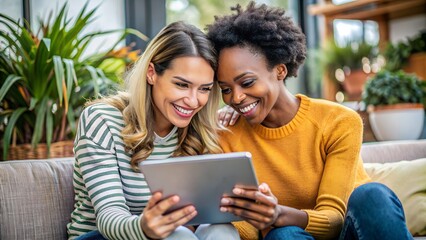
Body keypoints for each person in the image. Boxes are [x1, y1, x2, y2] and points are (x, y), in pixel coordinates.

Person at [206, 2, 412, 240]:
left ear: (280, 71)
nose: (236, 97)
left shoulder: (339, 121)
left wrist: (277, 214)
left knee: (372, 195)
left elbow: (334, 218)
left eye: (248, 82)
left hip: (352, 231)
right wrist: (252, 218)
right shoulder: (227, 135)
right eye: (225, 89)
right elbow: (246, 230)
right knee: (283, 235)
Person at [67, 21, 240, 240]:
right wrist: (146, 227)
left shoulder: (197, 128)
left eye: (204, 89)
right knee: (178, 235)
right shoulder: (101, 120)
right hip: (101, 235)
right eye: (182, 84)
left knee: (221, 230)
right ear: (151, 73)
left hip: (172, 235)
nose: (193, 101)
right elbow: (108, 216)